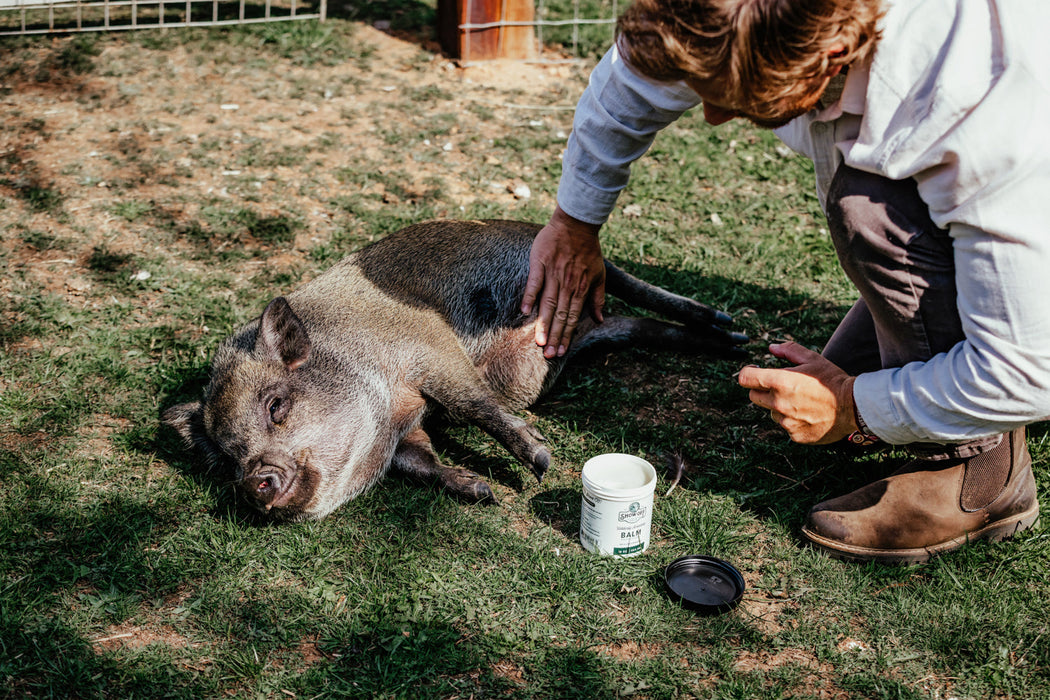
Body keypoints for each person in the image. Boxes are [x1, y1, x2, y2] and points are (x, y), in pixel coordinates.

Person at [520, 0, 1050, 564]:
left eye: (732, 100)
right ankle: (930, 356)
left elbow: (1027, 371)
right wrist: (574, 221)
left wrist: (854, 404)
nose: (713, 118)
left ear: (833, 58)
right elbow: (637, 79)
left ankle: (985, 470)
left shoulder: (981, 102)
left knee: (871, 215)